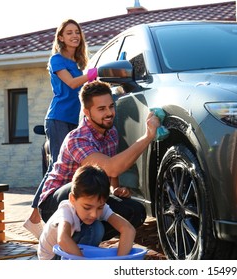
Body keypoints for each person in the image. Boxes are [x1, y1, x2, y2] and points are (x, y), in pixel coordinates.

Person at [38, 80, 160, 241]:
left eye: (111, 106)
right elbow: (112, 168)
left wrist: (114, 190)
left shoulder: (111, 133)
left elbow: (110, 173)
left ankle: (86, 236)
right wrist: (148, 136)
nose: (109, 113)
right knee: (80, 188)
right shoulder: (78, 139)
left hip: (89, 199)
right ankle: (67, 237)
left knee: (136, 211)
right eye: (101, 109)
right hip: (56, 202)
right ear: (86, 111)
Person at [24, 19, 98, 238]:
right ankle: (34, 219)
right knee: (57, 168)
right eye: (69, 32)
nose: (75, 35)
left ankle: (59, 218)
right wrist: (93, 73)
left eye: (77, 32)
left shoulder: (76, 64)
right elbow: (73, 84)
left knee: (70, 170)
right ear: (61, 38)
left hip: (73, 120)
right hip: (58, 119)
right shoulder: (57, 60)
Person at [38, 164, 136, 260]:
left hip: (67, 250)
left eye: (100, 208)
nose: (94, 214)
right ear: (72, 199)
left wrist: (120, 263)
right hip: (52, 257)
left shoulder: (100, 206)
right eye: (87, 207)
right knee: (94, 228)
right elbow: (63, 239)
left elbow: (128, 230)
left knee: (96, 227)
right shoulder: (66, 210)